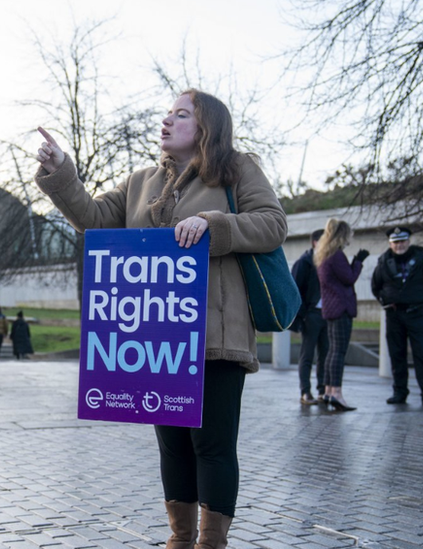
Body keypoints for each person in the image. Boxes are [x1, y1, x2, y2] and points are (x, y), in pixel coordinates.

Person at [35, 89, 287, 549]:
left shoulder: (237, 169)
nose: (167, 121)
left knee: (211, 446)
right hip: (159, 338)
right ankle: (179, 538)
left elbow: (272, 223)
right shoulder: (140, 182)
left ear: (206, 127)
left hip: (216, 336)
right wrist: (61, 173)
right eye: (167, 113)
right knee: (172, 447)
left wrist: (216, 223)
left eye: (181, 114)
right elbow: (92, 219)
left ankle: (211, 543)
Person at [371, 227, 423, 406]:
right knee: (397, 355)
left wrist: (422, 300)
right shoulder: (383, 262)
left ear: (409, 241)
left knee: (421, 354)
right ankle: (399, 392)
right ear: (390, 243)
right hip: (394, 314)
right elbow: (376, 287)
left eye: (402, 241)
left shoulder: (422, 259)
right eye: (395, 242)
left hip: (416, 313)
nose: (399, 245)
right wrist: (386, 300)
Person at [315, 218, 368, 412]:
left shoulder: (324, 254)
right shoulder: (336, 256)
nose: (351, 238)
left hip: (330, 308)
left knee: (332, 351)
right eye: (350, 234)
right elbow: (349, 277)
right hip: (340, 308)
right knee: (338, 351)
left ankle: (329, 391)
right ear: (342, 235)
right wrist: (358, 262)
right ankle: (336, 393)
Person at [291, 228, 329, 405]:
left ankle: (322, 390)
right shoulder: (304, 262)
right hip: (311, 315)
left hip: (328, 314)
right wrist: (301, 316)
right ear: (315, 242)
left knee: (325, 354)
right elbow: (294, 290)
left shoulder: (329, 261)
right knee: (307, 354)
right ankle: (305, 392)